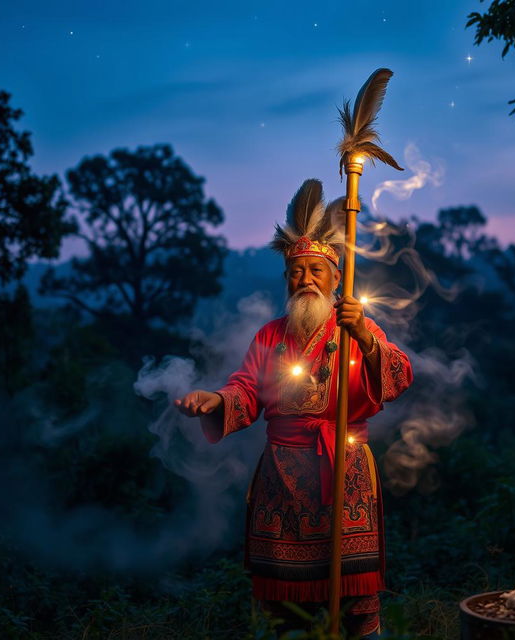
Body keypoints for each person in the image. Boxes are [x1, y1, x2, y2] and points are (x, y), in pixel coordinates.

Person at [175, 179, 413, 639]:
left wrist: (364, 336)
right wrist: (217, 400)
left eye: (314, 271)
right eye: (295, 272)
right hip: (280, 481)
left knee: (353, 600)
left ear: (334, 275)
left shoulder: (357, 327)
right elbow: (246, 389)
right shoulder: (269, 336)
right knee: (282, 606)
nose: (304, 279)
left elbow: (400, 375)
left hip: (343, 474)